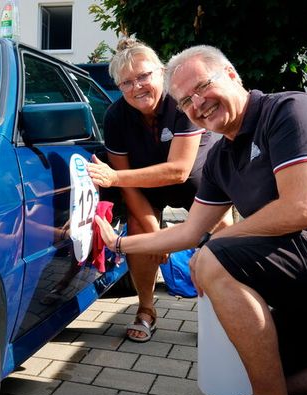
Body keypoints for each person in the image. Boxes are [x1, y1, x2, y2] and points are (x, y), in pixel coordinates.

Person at [94, 44, 307, 395]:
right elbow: (187, 232)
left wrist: (215, 246)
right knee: (273, 372)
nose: (197, 104)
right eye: (186, 100)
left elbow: (301, 208)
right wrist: (118, 241)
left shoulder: (290, 111)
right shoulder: (222, 157)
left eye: (202, 86)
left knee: (219, 256)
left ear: (233, 75)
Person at [87, 37, 228, 343]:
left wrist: (167, 236)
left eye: (143, 76)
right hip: (145, 188)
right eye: (126, 82)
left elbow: (179, 170)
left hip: (198, 181)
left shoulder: (182, 103)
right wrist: (155, 233)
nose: (136, 87)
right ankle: (146, 309)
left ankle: (223, 310)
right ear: (118, 87)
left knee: (224, 235)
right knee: (140, 233)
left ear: (161, 72)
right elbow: (125, 181)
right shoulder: (115, 117)